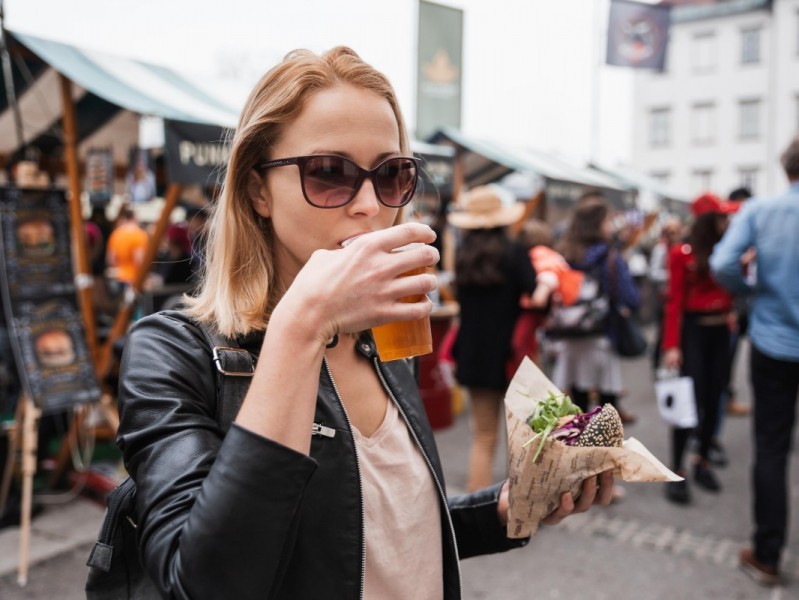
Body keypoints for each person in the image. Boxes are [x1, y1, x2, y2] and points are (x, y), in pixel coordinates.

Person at [114, 47, 613, 599]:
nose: (371, 205)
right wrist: (302, 325)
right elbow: (206, 583)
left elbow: (379, 529)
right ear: (258, 190)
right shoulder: (170, 352)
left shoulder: (381, 338)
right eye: (330, 173)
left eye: (393, 174)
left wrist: (503, 510)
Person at [710, 136, 799, 586]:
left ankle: (767, 553)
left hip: (775, 341)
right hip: (776, 339)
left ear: (786, 169)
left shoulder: (762, 211)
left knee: (771, 447)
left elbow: (723, 263)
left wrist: (751, 292)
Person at [447, 186, 536, 492]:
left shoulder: (463, 256)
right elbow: (534, 290)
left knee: (483, 436)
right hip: (511, 355)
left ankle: (477, 502)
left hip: (474, 355)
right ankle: (524, 501)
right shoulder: (514, 254)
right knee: (524, 434)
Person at [661, 193, 737, 505]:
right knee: (687, 402)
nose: (726, 222)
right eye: (721, 217)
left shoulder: (727, 249)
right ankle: (677, 467)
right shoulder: (683, 253)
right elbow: (675, 300)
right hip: (693, 332)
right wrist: (671, 345)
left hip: (721, 331)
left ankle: (701, 459)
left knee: (714, 396)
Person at [550, 194, 640, 423]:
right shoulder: (609, 257)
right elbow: (630, 297)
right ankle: (602, 454)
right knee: (605, 408)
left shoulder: (564, 254)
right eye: (607, 221)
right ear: (598, 224)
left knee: (577, 406)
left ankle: (579, 455)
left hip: (569, 336)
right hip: (601, 337)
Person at [648, 216, 682, 373]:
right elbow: (654, 273)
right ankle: (656, 364)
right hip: (664, 299)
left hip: (678, 299)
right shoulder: (660, 249)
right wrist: (673, 275)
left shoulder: (682, 248)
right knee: (663, 333)